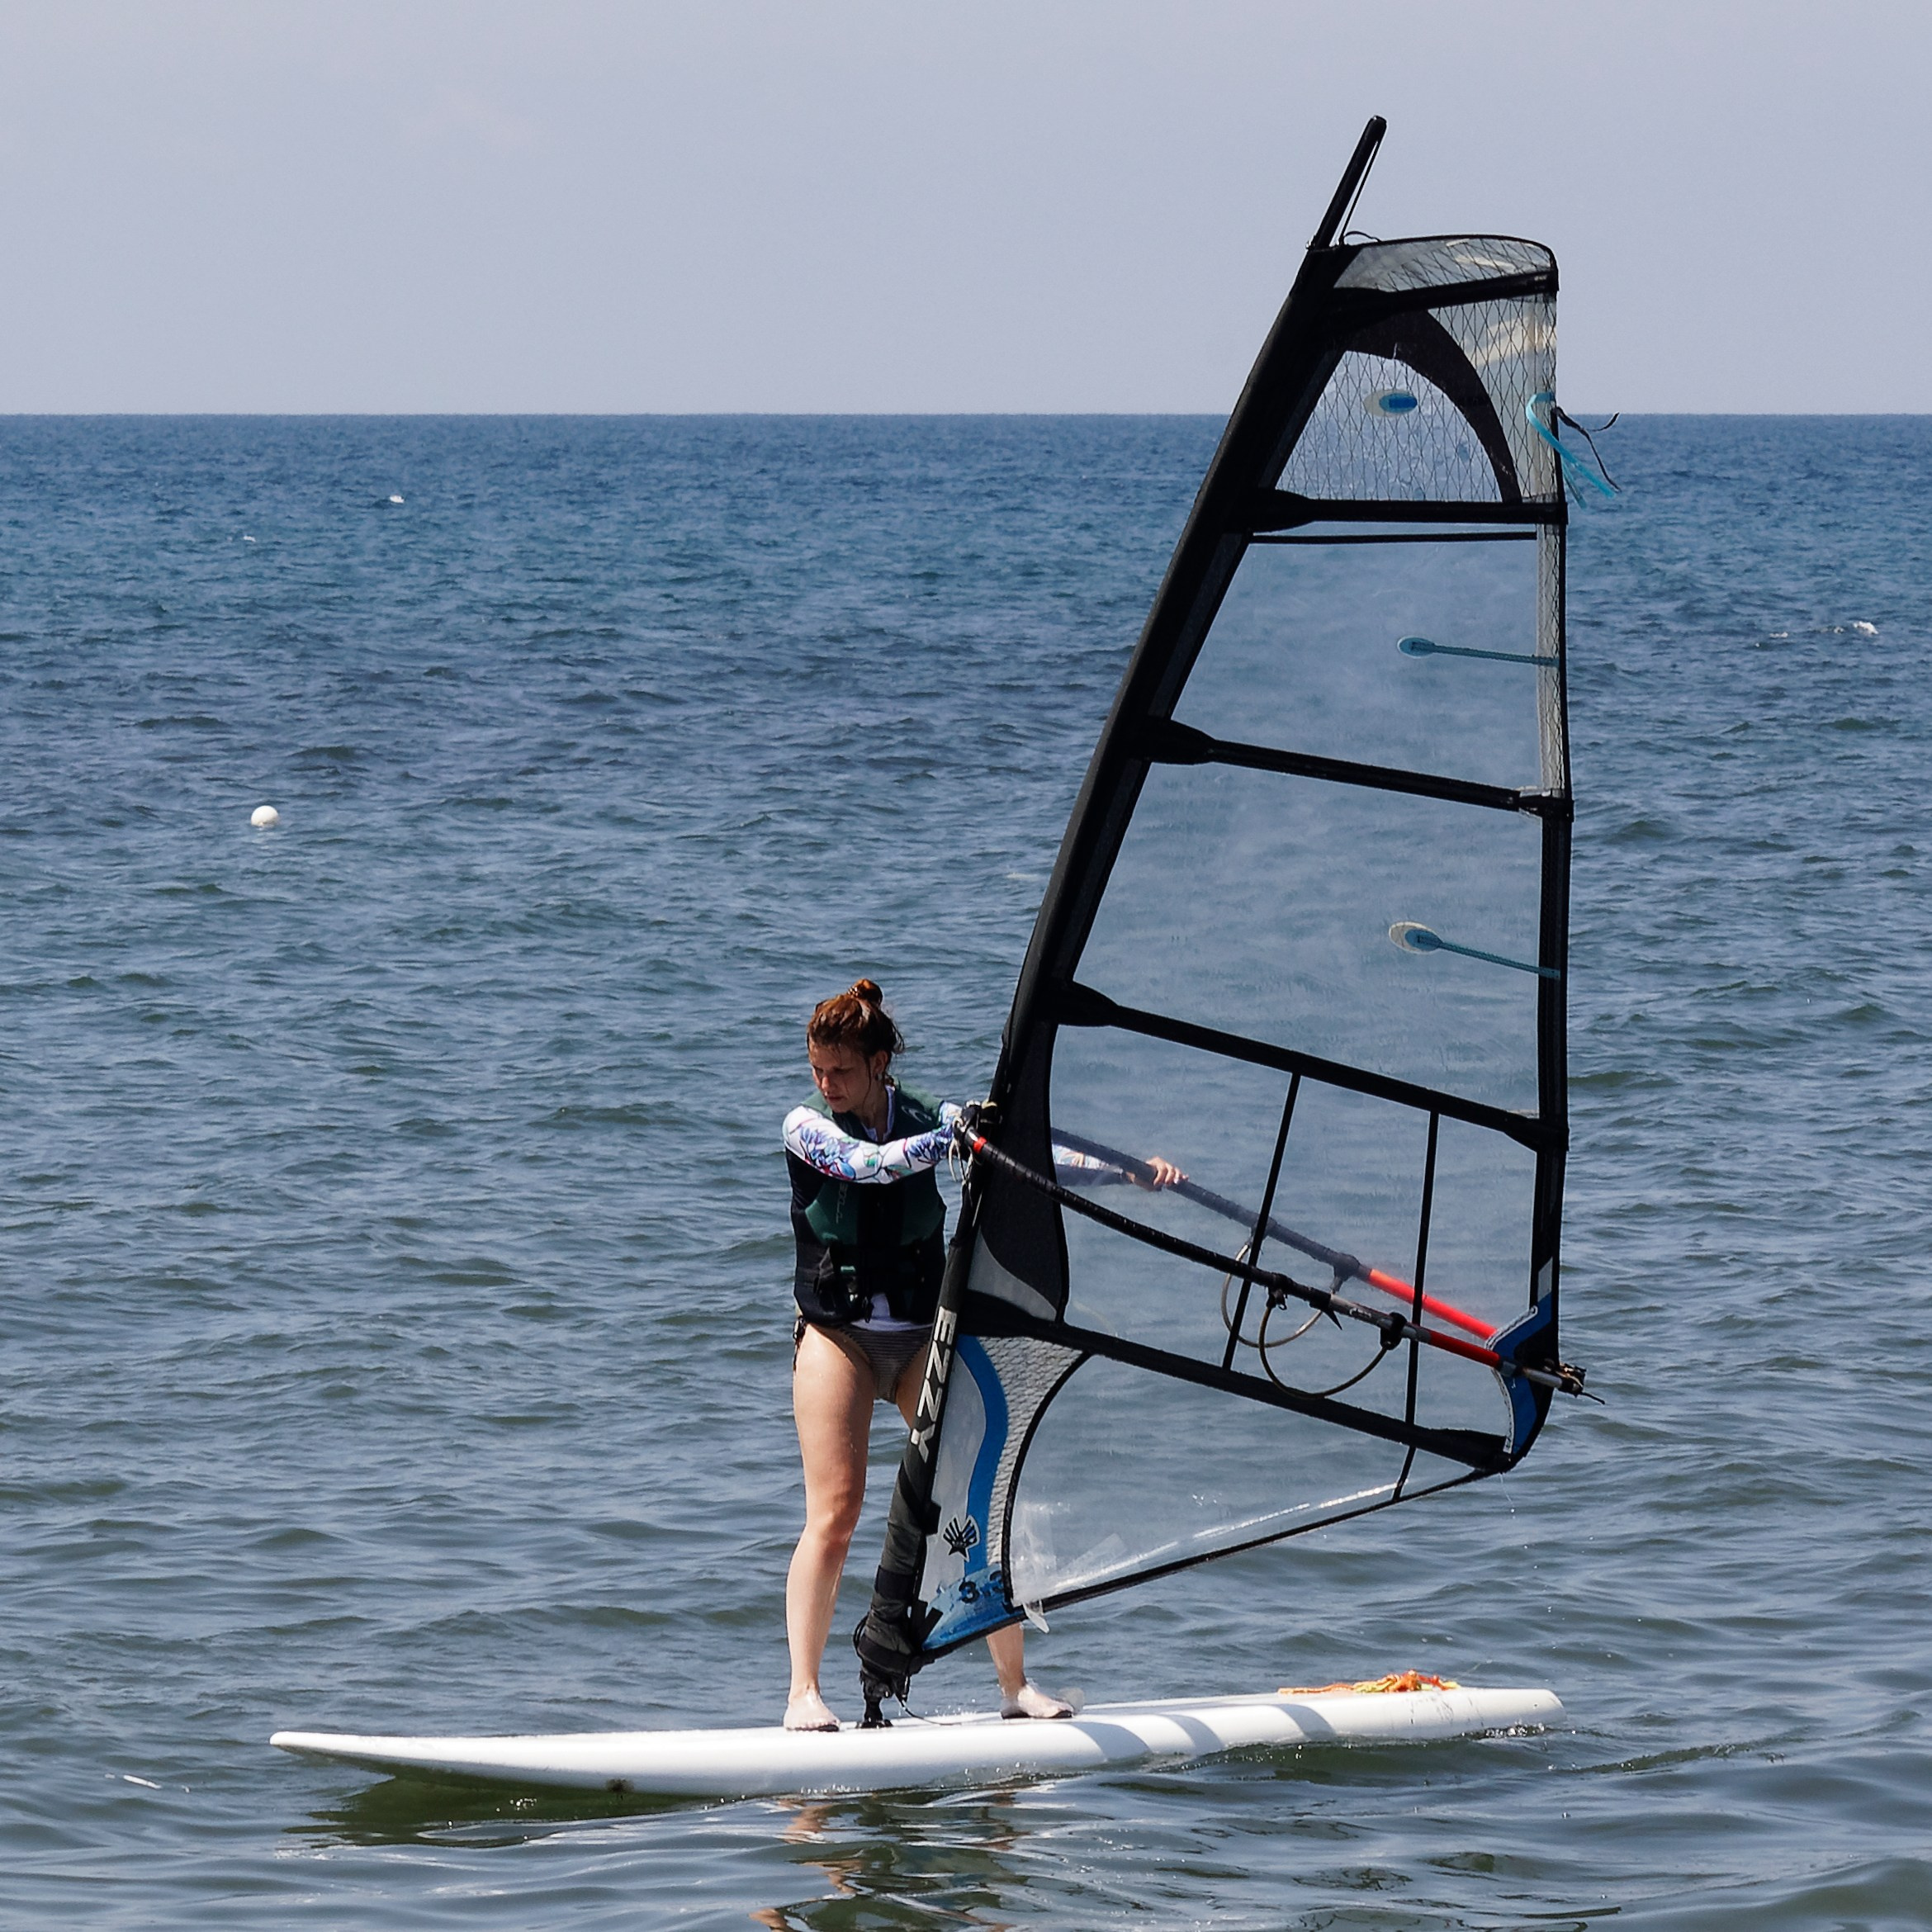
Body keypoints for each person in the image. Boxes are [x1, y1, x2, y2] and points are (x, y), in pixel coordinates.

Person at [781, 978, 1181, 1732]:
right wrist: (955, 1138)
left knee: (980, 1504)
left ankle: (1014, 1685)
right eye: (817, 1069)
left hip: (923, 1336)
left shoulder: (929, 1112)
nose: (826, 1084)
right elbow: (869, 1166)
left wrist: (1127, 1170)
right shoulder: (806, 1125)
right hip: (840, 1336)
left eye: (841, 1071)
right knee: (836, 1512)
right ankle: (803, 1692)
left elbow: (1028, 1157)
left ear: (879, 1064)